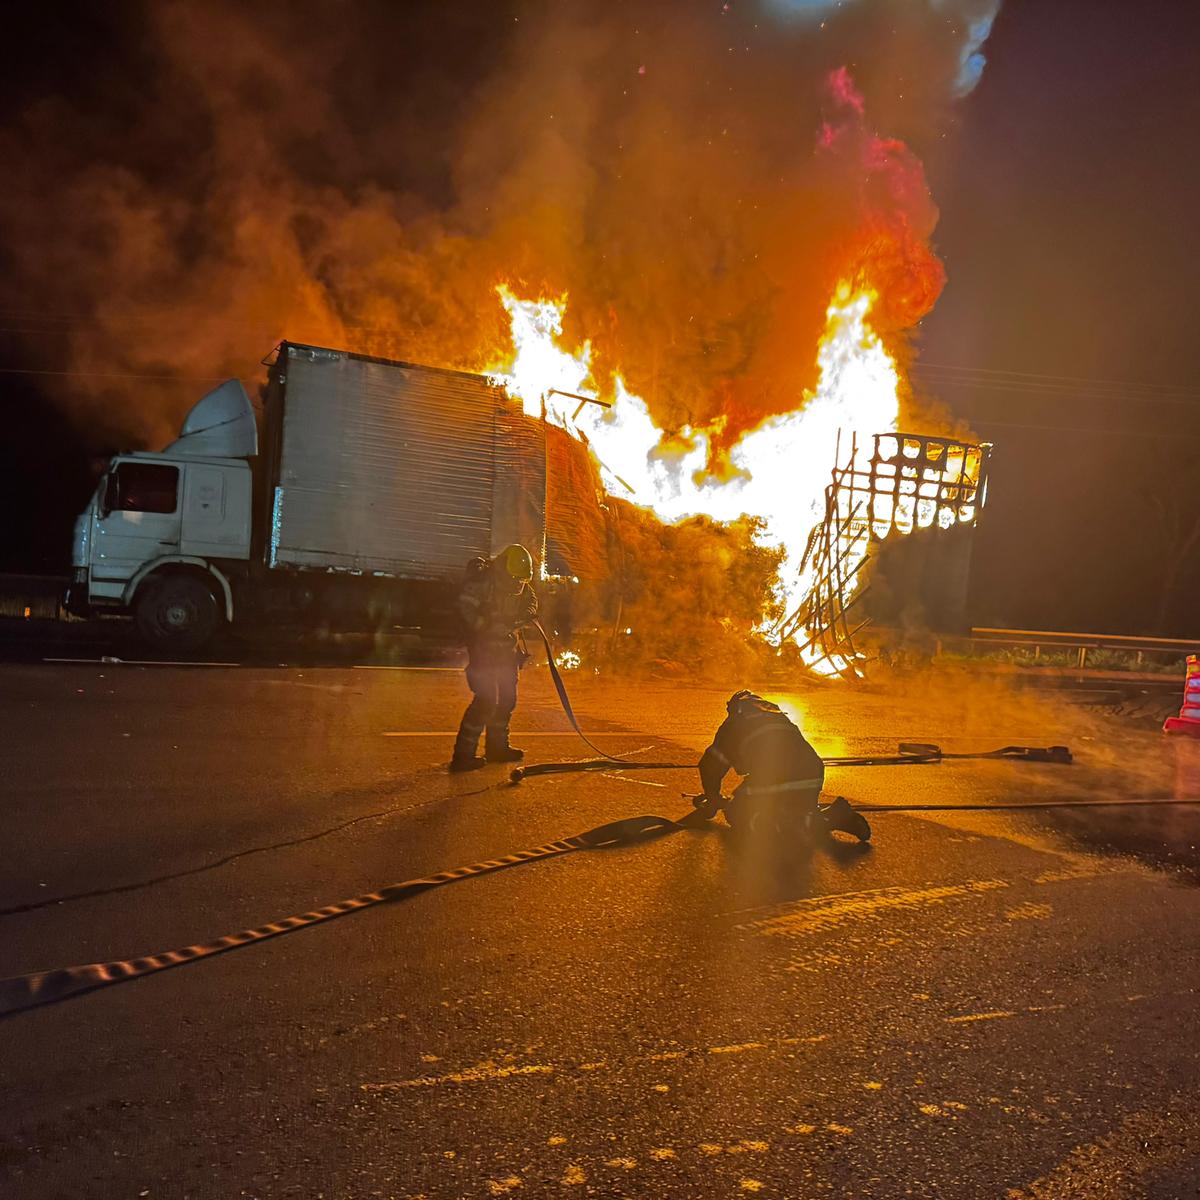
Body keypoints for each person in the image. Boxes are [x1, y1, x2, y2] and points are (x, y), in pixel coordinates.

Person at [698, 690, 870, 842]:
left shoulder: (734, 726)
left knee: (739, 814)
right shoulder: (779, 719)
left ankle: (831, 818)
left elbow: (710, 765)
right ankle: (828, 816)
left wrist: (712, 797)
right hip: (812, 775)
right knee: (795, 811)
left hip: (776, 778)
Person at [450, 544, 538, 772]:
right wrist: (485, 626)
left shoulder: (520, 583)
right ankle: (463, 756)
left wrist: (525, 615)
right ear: (504, 571)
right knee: (486, 700)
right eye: (516, 580)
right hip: (484, 651)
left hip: (507, 652)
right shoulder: (484, 582)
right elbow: (463, 608)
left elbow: (531, 600)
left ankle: (497, 748)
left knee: (507, 699)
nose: (519, 585)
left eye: (522, 580)